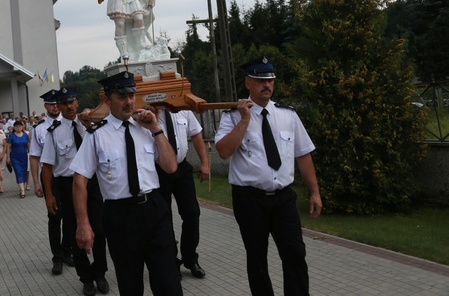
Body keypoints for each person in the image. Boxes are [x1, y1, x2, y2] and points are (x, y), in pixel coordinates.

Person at [216, 57, 323, 295]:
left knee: (295, 254)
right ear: (248, 83)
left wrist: (315, 192)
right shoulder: (232, 116)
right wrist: (244, 120)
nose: (267, 85)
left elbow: (303, 154)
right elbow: (223, 151)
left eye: (270, 80)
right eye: (260, 80)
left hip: (284, 198)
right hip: (249, 199)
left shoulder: (288, 115)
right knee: (257, 258)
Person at [71, 71, 182, 295]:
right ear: (107, 99)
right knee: (130, 283)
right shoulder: (96, 135)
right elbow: (80, 180)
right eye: (121, 96)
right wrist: (83, 224)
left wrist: (156, 129)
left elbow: (171, 167)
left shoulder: (146, 127)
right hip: (120, 215)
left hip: (155, 209)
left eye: (131, 95)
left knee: (168, 281)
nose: (129, 101)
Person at [41, 88, 109, 296]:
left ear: (77, 102)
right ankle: (86, 277)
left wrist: (88, 123)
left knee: (98, 229)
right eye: (64, 104)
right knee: (74, 232)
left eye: (72, 102)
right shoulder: (54, 132)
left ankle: (100, 273)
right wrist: (49, 195)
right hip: (67, 186)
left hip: (92, 184)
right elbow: (47, 166)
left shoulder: (91, 125)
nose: (69, 106)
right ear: (58, 107)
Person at [151, 107, 209, 279]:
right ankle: (170, 261)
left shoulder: (183, 110)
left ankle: (191, 258)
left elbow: (196, 135)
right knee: (163, 218)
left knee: (192, 213)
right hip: (158, 170)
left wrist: (204, 162)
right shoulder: (147, 112)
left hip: (182, 168)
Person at [29, 90, 72, 275]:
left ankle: (68, 250)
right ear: (45, 106)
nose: (55, 106)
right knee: (54, 218)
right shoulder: (39, 129)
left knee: (71, 217)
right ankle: (57, 257)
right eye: (51, 103)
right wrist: (36, 183)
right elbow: (34, 157)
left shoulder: (70, 124)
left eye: (58, 103)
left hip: (69, 177)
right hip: (50, 178)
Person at [6, 120, 30, 198]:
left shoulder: (25, 135)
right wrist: (8, 157)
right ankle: (22, 191)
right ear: (14, 127)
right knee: (18, 172)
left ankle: (21, 187)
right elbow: (8, 147)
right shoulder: (12, 136)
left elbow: (28, 146)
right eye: (17, 126)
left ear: (22, 126)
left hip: (24, 156)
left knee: (23, 172)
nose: (18, 127)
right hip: (15, 157)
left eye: (20, 126)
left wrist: (31, 155)